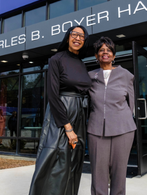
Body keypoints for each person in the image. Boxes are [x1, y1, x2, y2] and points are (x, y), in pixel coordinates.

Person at [29, 25, 91, 195]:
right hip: (61, 112)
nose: (78, 38)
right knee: (54, 159)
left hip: (79, 112)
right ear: (68, 37)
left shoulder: (81, 63)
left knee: (74, 160)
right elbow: (53, 95)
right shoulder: (56, 59)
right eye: (74, 34)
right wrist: (68, 127)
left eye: (82, 36)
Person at [87, 36, 137, 195]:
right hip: (96, 130)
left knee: (119, 172)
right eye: (101, 50)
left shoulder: (126, 75)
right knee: (98, 173)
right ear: (96, 56)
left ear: (114, 56)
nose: (105, 53)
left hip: (123, 129)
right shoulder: (89, 76)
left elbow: (132, 102)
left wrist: (127, 118)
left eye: (108, 50)